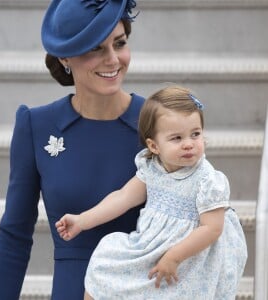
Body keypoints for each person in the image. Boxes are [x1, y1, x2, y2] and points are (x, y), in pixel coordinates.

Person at [0, 1, 144, 299]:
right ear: (65, 58)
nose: (113, 60)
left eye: (119, 44)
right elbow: (14, 238)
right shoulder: (36, 125)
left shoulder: (161, 122)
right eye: (95, 48)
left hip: (149, 287)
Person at [56, 85, 248, 300]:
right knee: (106, 259)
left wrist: (174, 257)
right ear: (154, 146)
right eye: (177, 138)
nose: (188, 144)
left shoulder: (208, 180)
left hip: (192, 255)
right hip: (151, 245)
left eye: (195, 134)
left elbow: (212, 229)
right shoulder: (152, 167)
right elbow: (123, 197)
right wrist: (82, 221)